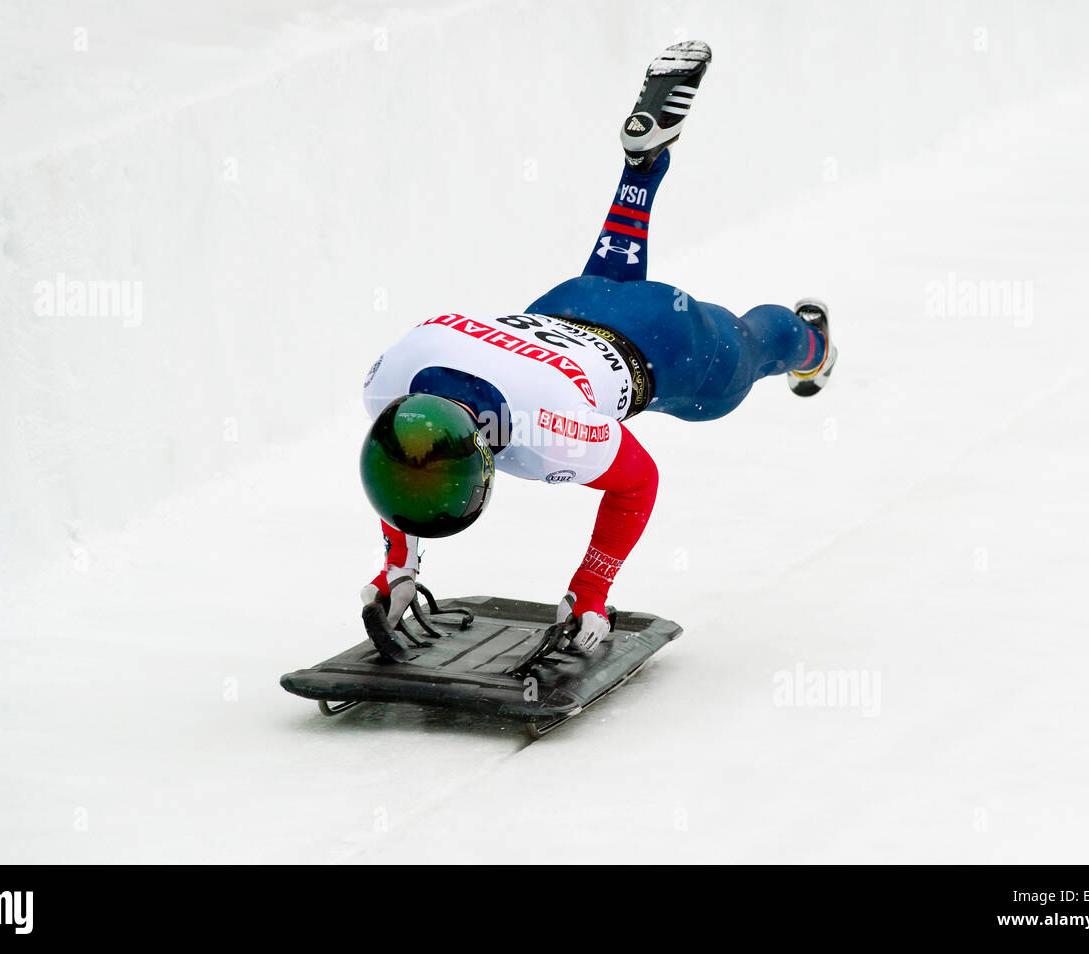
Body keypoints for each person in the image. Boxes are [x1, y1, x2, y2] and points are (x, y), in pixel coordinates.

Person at [358, 41, 836, 659]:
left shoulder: (551, 433)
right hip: (569, 305)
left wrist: (591, 590)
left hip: (665, 341)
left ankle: (810, 343)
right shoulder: (389, 384)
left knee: (750, 351)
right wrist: (398, 564)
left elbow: (638, 483)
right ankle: (642, 169)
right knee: (608, 290)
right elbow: (410, 453)